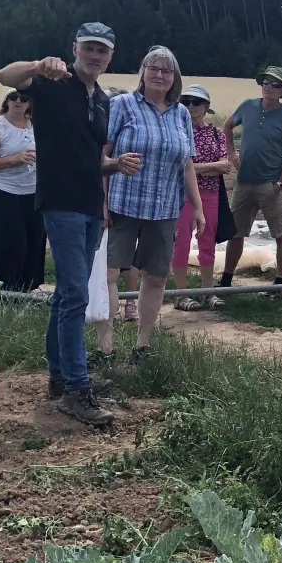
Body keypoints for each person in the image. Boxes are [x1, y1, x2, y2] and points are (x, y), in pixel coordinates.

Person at [0, 22, 134, 426]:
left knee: (64, 297)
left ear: (111, 57)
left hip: (91, 204)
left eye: (103, 50)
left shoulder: (104, 101)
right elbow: (4, 77)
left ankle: (59, 379)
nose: (95, 55)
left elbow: (91, 157)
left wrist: (114, 165)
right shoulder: (52, 82)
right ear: (75, 49)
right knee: (75, 294)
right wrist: (38, 65)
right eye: (89, 48)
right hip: (60, 202)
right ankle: (77, 390)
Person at [103, 46, 204, 360]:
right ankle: (105, 345)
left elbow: (186, 163)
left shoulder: (181, 114)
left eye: (167, 70)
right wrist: (102, 200)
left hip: (164, 210)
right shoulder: (121, 105)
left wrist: (197, 206)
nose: (160, 75)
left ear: (175, 78)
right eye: (154, 68)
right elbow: (101, 154)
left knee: (156, 277)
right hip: (122, 205)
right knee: (108, 275)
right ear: (142, 72)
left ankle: (142, 344)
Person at [221, 66, 282, 297]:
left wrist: (281, 183)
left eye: (275, 84)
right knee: (236, 232)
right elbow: (227, 126)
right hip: (243, 181)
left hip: (271, 184)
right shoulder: (247, 106)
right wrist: (231, 152)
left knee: (280, 233)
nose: (269, 87)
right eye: (266, 82)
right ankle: (226, 280)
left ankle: (280, 285)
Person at [173, 85, 236, 311]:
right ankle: (181, 295)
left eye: (196, 102)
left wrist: (194, 168)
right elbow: (179, 168)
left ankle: (207, 292)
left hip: (210, 194)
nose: (191, 106)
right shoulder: (177, 130)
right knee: (180, 244)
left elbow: (225, 167)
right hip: (183, 195)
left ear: (206, 107)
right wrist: (209, 167)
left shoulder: (217, 133)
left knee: (207, 244)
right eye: (187, 101)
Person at [0, 90, 45, 292]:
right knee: (6, 245)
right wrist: (14, 159)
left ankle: (27, 290)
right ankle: (0, 290)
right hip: (3, 193)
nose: (18, 101)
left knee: (34, 242)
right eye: (13, 97)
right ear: (6, 101)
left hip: (33, 193)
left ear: (30, 103)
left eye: (24, 98)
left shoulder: (37, 125)